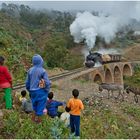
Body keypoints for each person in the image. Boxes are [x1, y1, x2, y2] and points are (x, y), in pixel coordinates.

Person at [26, 54, 51, 123]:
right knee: (40, 108)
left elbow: (27, 83)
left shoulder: (30, 71)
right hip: (41, 92)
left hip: (32, 92)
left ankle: (33, 122)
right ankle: (39, 124)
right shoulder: (43, 71)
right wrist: (46, 90)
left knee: (34, 108)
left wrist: (29, 90)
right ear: (41, 61)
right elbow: (47, 83)